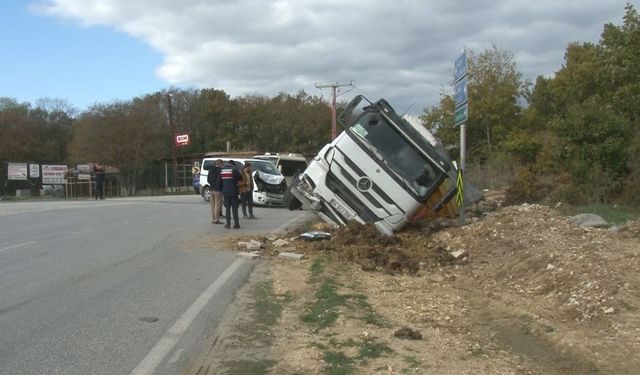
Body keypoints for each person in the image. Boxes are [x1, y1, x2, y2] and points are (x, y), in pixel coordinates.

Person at [217, 160, 243, 229]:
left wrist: (222, 190)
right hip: (234, 192)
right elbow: (240, 178)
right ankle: (236, 224)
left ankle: (228, 224)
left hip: (225, 193)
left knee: (227, 208)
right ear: (232, 165)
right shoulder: (234, 170)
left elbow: (219, 183)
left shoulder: (222, 171)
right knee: (234, 209)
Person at [207, 159, 224, 224]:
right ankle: (217, 219)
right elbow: (221, 181)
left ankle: (213, 219)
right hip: (218, 190)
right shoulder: (220, 171)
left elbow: (208, 180)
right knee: (218, 205)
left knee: (212, 205)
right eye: (222, 164)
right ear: (220, 164)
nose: (223, 166)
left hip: (211, 189)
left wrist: (212, 184)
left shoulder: (210, 170)